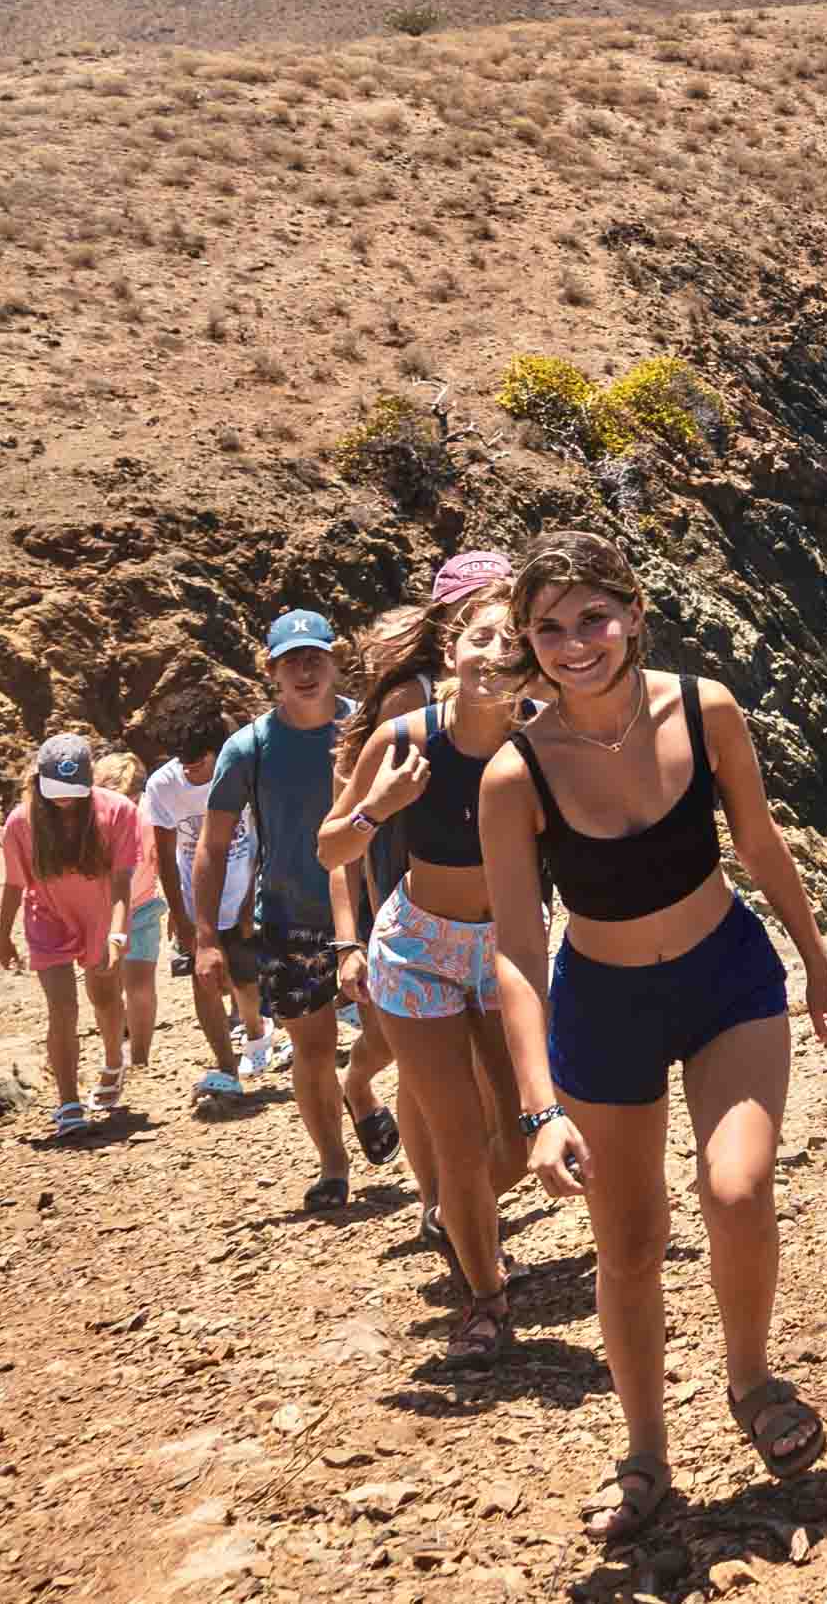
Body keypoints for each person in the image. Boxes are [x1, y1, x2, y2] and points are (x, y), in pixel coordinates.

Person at [479, 532, 827, 1539]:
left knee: (736, 1187)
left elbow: (761, 840)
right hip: (602, 1004)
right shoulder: (515, 772)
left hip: (724, 974)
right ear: (528, 639)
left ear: (634, 613)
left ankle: (751, 1380)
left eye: (592, 617)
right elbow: (515, 949)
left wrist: (818, 962)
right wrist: (539, 1104)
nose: (573, 642)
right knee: (630, 1239)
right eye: (548, 627)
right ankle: (645, 1453)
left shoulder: (706, 708)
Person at [318, 576, 531, 1367]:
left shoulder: (544, 739)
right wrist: (378, 805)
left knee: (516, 1140)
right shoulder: (406, 737)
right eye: (482, 638)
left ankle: (457, 1216)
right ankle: (486, 1297)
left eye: (515, 643)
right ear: (453, 649)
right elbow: (331, 849)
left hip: (506, 949)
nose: (496, 655)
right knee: (457, 1140)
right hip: (416, 952)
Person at [193, 609, 397, 1210]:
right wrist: (206, 936)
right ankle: (334, 1168)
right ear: (272, 672)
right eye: (291, 661)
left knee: (388, 1038)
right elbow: (212, 844)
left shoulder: (369, 730)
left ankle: (359, 1087)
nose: (305, 670)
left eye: (315, 657)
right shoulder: (249, 747)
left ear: (335, 662)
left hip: (371, 911)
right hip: (288, 917)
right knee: (310, 1049)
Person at [344, 552, 516, 1259]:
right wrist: (349, 938)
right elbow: (351, 831)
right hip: (411, 923)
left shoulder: (522, 713)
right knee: (428, 1085)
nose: (498, 646)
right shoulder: (408, 709)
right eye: (480, 621)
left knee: (490, 1106)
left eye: (512, 626)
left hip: (495, 930)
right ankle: (442, 1209)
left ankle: (452, 1203)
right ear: (451, 630)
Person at [0, 734, 142, 1138]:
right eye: (55, 791)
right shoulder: (21, 822)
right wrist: (3, 934)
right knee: (62, 1008)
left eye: (73, 791)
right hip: (48, 918)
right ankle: (68, 1102)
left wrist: (116, 934)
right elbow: (13, 883)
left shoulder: (117, 812)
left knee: (105, 997)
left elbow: (121, 882)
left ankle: (114, 1060)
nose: (64, 799)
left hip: (99, 915)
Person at [142, 696, 271, 1106]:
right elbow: (164, 855)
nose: (188, 766)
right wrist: (180, 915)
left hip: (242, 891)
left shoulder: (245, 772)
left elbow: (261, 837)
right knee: (205, 981)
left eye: (197, 758)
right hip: (196, 900)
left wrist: (252, 900)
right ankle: (227, 1067)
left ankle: (256, 1033)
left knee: (246, 979)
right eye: (181, 757)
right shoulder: (163, 786)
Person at [92, 752, 169, 1081]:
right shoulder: (143, 814)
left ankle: (129, 1056)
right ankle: (128, 1053)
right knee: (123, 987)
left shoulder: (143, 818)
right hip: (118, 910)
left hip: (125, 909)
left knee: (126, 986)